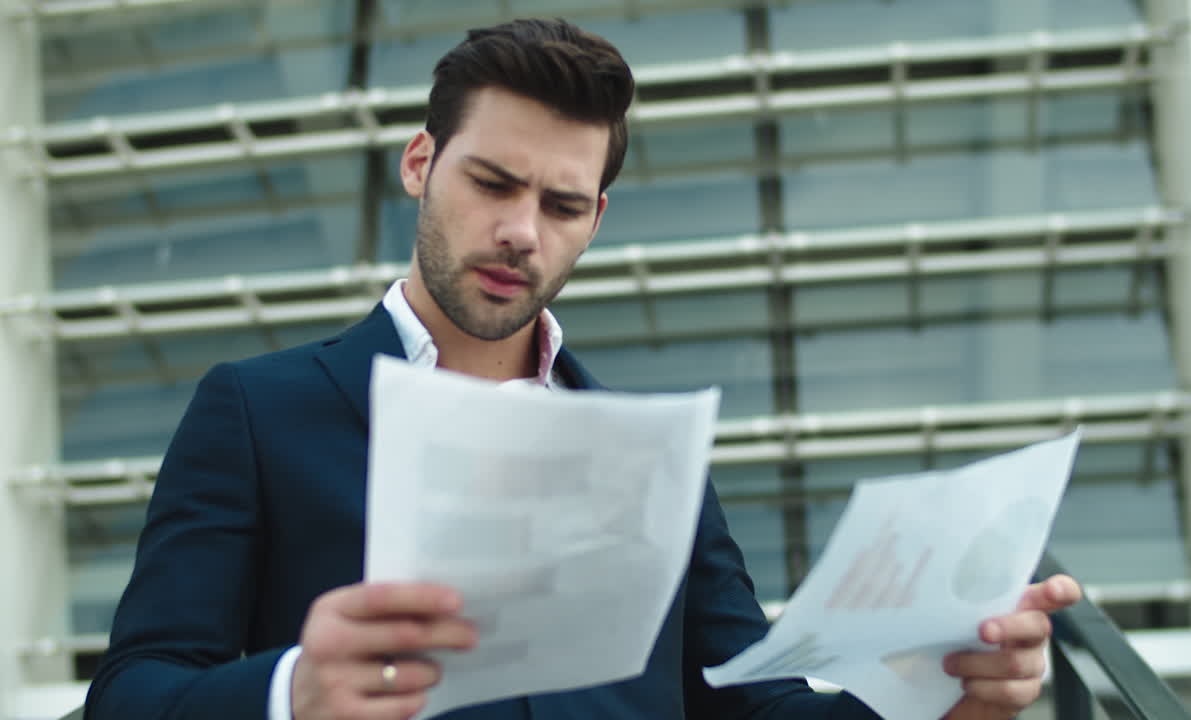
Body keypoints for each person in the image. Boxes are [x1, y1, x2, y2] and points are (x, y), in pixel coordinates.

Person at [84, 18, 1081, 720]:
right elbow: (132, 695)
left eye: (561, 205)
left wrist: (940, 694)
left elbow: (741, 704)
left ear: (594, 220)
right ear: (421, 163)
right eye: (492, 182)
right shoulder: (258, 414)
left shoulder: (652, 453)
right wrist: (291, 694)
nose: (519, 231)